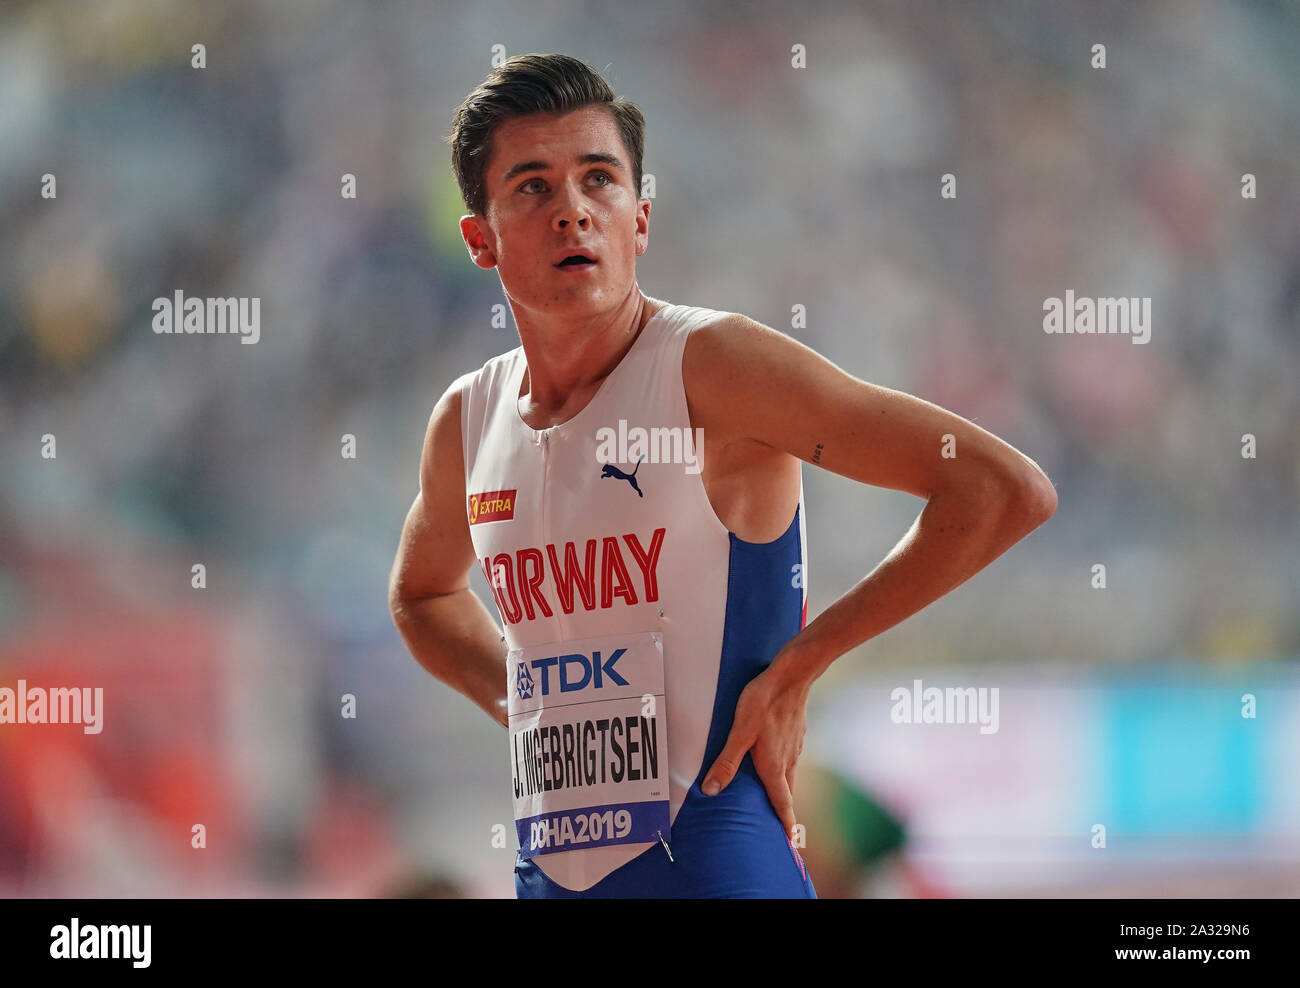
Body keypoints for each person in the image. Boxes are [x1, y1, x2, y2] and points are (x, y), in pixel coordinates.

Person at [388, 53, 1057, 898]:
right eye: (532, 187)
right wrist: (524, 705)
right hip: (549, 873)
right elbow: (422, 596)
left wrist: (800, 668)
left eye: (600, 181)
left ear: (641, 218)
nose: (572, 212)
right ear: (478, 239)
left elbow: (1002, 489)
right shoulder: (468, 418)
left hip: (716, 859)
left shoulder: (713, 367)